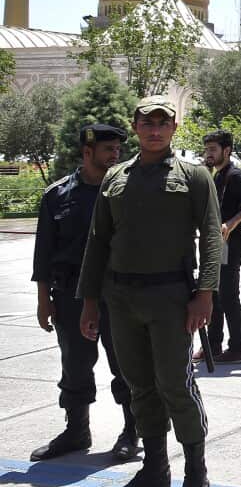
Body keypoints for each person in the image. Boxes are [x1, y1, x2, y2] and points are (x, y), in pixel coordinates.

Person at [77, 96, 224, 487]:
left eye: (163, 123)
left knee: (175, 384)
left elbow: (212, 237)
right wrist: (90, 300)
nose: (155, 130)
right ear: (136, 127)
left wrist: (205, 293)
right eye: (147, 123)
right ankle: (155, 467)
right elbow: (98, 241)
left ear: (174, 128)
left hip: (171, 297)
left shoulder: (194, 176)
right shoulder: (115, 176)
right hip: (121, 297)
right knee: (139, 385)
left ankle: (196, 471)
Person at [30, 124, 138, 464]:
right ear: (87, 152)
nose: (115, 155)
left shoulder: (125, 192)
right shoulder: (57, 195)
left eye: (118, 150)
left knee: (125, 366)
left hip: (117, 294)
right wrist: (43, 300)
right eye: (108, 150)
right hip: (70, 297)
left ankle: (132, 432)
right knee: (74, 365)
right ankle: (77, 430)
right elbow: (43, 254)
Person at [195, 130, 241, 365]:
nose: (208, 154)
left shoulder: (235, 175)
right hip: (218, 245)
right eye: (207, 149)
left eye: (213, 150)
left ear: (227, 151)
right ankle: (213, 347)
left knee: (228, 297)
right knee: (214, 296)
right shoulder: (218, 174)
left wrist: (232, 223)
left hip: (231, 246)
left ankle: (237, 348)